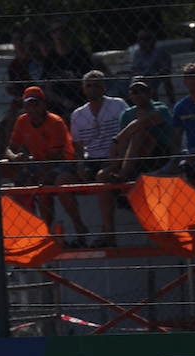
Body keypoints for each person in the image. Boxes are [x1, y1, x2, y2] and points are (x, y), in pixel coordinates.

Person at [62, 70, 128, 247]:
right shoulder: (78, 115)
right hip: (91, 160)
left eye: (97, 85)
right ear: (83, 89)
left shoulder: (118, 105)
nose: (93, 89)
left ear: (104, 87)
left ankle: (108, 233)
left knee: (102, 177)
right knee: (62, 179)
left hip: (114, 159)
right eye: (89, 86)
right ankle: (79, 230)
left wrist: (117, 159)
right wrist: (80, 166)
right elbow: (77, 147)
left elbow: (128, 136)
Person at [2, 85, 77, 226]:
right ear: (24, 106)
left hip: (63, 163)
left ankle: (48, 229)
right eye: (29, 105)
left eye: (36, 105)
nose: (32, 109)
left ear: (44, 105)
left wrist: (33, 178)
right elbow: (9, 149)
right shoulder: (22, 120)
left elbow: (55, 159)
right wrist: (14, 157)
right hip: (38, 163)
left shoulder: (55, 122)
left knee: (42, 185)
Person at [100, 77, 172, 185]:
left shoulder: (160, 108)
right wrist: (116, 159)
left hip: (158, 156)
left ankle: (123, 176)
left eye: (143, 90)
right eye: (135, 91)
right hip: (133, 157)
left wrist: (117, 140)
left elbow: (141, 123)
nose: (139, 94)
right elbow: (124, 144)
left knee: (140, 133)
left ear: (151, 92)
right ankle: (117, 198)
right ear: (130, 94)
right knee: (102, 175)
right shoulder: (127, 114)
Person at [43, 19, 97, 118]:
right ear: (51, 34)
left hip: (82, 101)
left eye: (61, 30)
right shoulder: (49, 59)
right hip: (59, 106)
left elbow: (90, 83)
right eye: (55, 31)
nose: (58, 34)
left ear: (67, 31)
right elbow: (48, 90)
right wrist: (65, 102)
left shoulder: (80, 55)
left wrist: (71, 81)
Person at [129, 29, 174, 104]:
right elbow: (134, 68)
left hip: (151, 79)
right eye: (140, 39)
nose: (143, 42)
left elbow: (165, 72)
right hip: (135, 79)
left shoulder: (160, 53)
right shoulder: (137, 53)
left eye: (146, 39)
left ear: (153, 40)